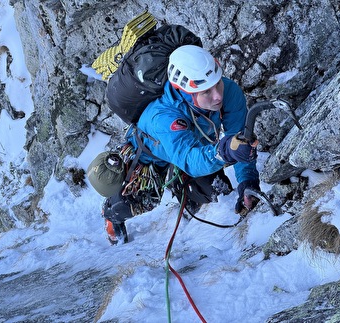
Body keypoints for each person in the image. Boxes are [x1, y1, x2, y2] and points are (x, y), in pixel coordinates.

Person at [102, 44, 260, 245]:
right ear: (185, 91)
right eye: (206, 92)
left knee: (216, 192)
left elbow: (240, 142)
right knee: (134, 202)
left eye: (217, 83)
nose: (217, 95)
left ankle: (186, 197)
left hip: (194, 146)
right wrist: (224, 152)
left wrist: (247, 181)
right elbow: (189, 159)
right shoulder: (164, 117)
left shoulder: (229, 92)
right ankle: (112, 215)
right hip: (150, 155)